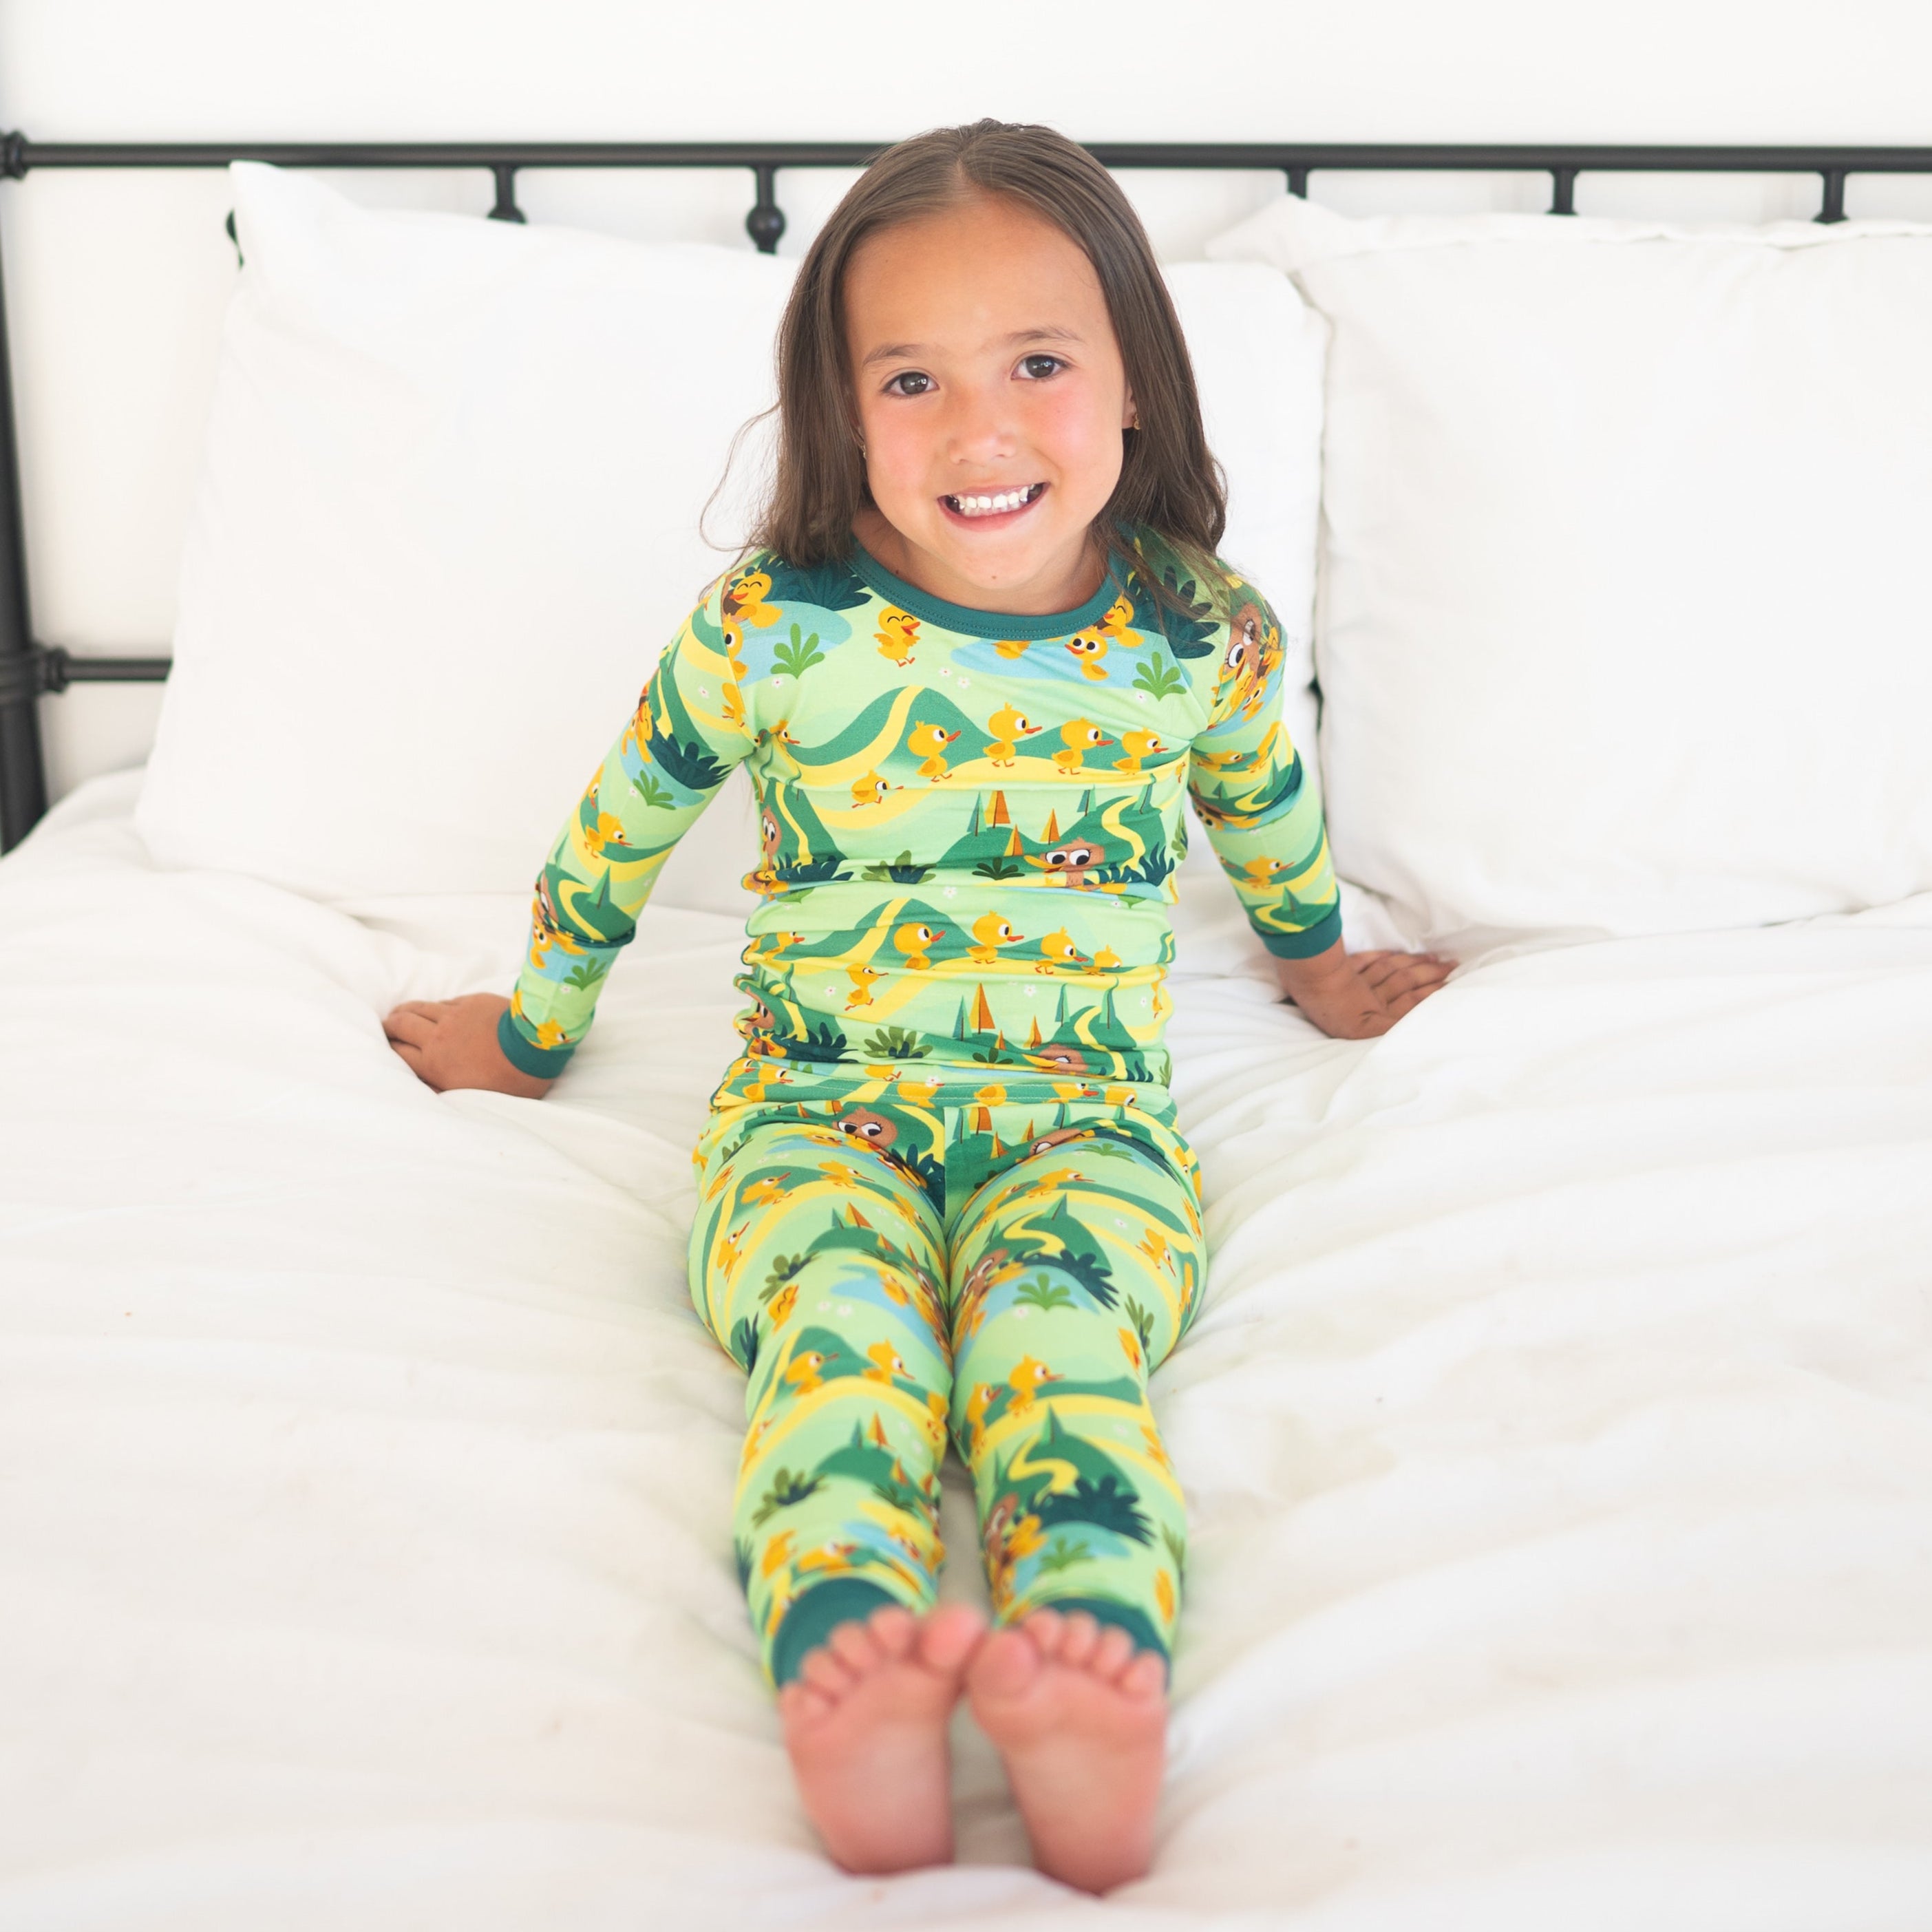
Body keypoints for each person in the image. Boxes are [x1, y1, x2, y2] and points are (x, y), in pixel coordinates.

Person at [384, 120, 1450, 1893]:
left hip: (1082, 1123)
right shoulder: (776, 627)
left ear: (1132, 386)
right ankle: (849, 1667)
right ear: (842, 409)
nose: (980, 431)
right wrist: (534, 1029)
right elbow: (623, 821)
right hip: (813, 1113)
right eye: (911, 379)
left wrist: (1323, 967)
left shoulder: (1200, 635)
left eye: (1038, 363)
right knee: (837, 1334)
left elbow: (1266, 815)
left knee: (1065, 1350)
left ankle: (1090, 1675)